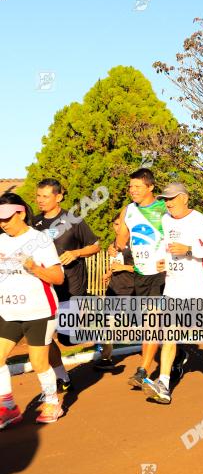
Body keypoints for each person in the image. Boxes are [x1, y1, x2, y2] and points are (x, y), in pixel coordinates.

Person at [140, 183, 203, 404]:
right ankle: (164, 384)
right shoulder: (166, 220)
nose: (168, 203)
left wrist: (189, 249)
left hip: (197, 287)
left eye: (172, 199)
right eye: (165, 200)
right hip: (173, 288)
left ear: (185, 198)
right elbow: (166, 247)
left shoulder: (200, 220)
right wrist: (163, 261)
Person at [0, 193, 67, 426]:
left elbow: (58, 277)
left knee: (38, 362)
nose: (3, 223)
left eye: (7, 218)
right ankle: (8, 408)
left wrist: (33, 267)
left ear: (21, 213)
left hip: (39, 311)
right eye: (0, 219)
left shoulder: (40, 240)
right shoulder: (1, 241)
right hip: (9, 312)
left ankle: (52, 401)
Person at [32, 179, 102, 392]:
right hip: (45, 287)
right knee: (43, 336)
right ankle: (63, 377)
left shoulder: (73, 220)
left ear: (59, 197)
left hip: (71, 285)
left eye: (45, 196)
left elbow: (95, 246)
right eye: (38, 196)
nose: (40, 200)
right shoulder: (34, 223)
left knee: (67, 337)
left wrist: (76, 253)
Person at [113, 168, 168, 389]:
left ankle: (143, 370)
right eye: (130, 186)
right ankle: (177, 353)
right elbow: (122, 238)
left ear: (150, 187)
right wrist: (118, 241)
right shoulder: (128, 210)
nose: (132, 190)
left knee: (152, 322)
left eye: (137, 186)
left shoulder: (164, 207)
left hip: (161, 272)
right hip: (140, 273)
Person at [93, 216, 135, 371]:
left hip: (132, 290)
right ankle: (106, 358)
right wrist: (108, 273)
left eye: (121, 224)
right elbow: (115, 264)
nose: (117, 227)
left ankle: (173, 350)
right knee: (106, 324)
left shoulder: (135, 244)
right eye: (115, 224)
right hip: (114, 289)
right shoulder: (114, 245)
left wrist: (123, 268)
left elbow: (141, 268)